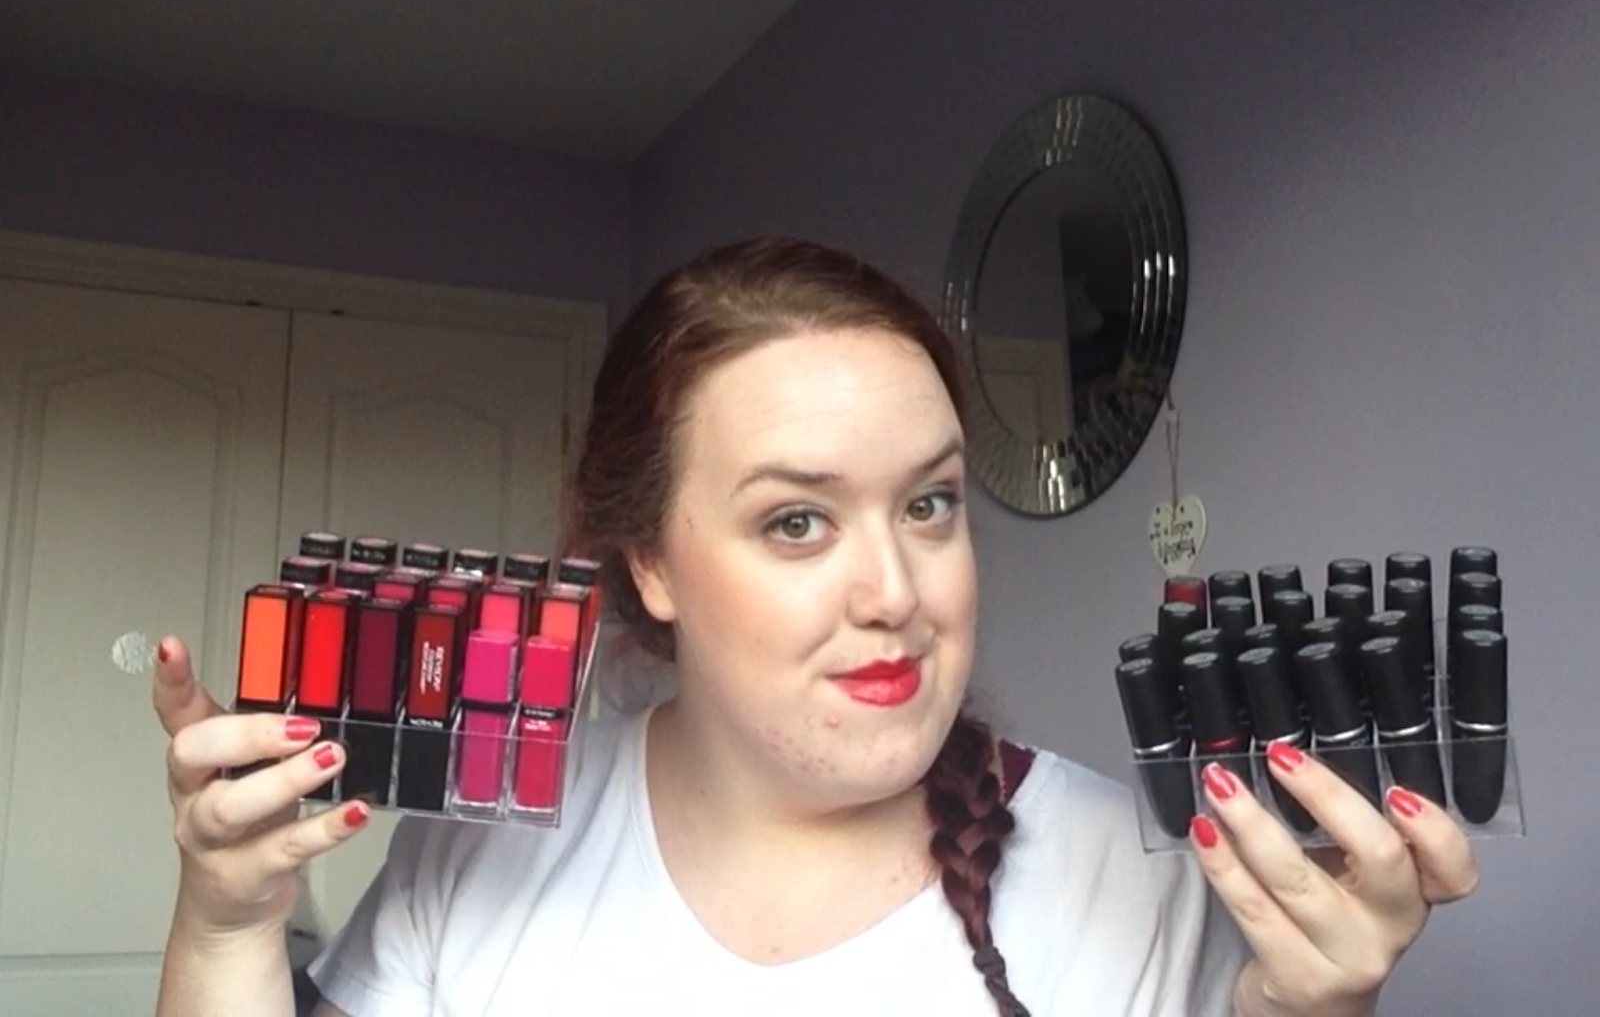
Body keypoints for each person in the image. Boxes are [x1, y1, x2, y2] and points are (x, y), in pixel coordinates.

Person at [152, 237, 1480, 1016]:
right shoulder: (485, 843)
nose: (895, 590)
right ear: (651, 564)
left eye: (931, 504)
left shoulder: (1140, 882)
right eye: (797, 521)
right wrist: (224, 927)